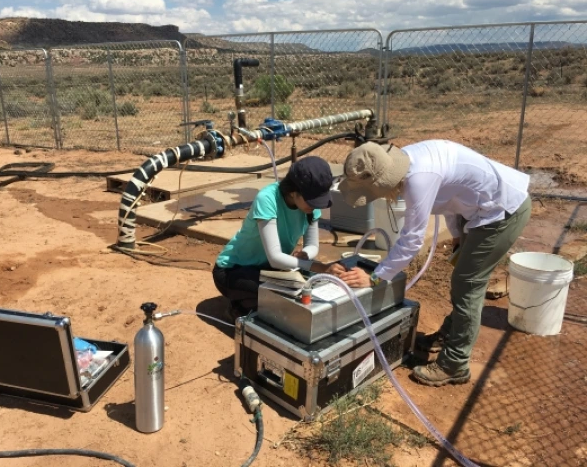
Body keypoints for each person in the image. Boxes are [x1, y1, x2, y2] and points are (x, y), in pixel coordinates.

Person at [337, 139, 531, 387]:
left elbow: (411, 241)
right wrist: (459, 235)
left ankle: (455, 364)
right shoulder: (408, 163)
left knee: (467, 284)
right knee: (463, 280)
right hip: (478, 209)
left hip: (502, 211)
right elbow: (449, 200)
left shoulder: (418, 180)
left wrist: (375, 278)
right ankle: (450, 335)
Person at [213, 156, 345, 319]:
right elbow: (275, 257)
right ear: (292, 191)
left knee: (305, 286)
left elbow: (312, 245)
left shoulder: (310, 207)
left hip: (269, 268)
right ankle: (241, 306)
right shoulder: (268, 199)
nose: (316, 206)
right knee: (292, 291)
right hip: (232, 271)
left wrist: (306, 255)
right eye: (312, 201)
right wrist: (320, 268)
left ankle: (255, 302)